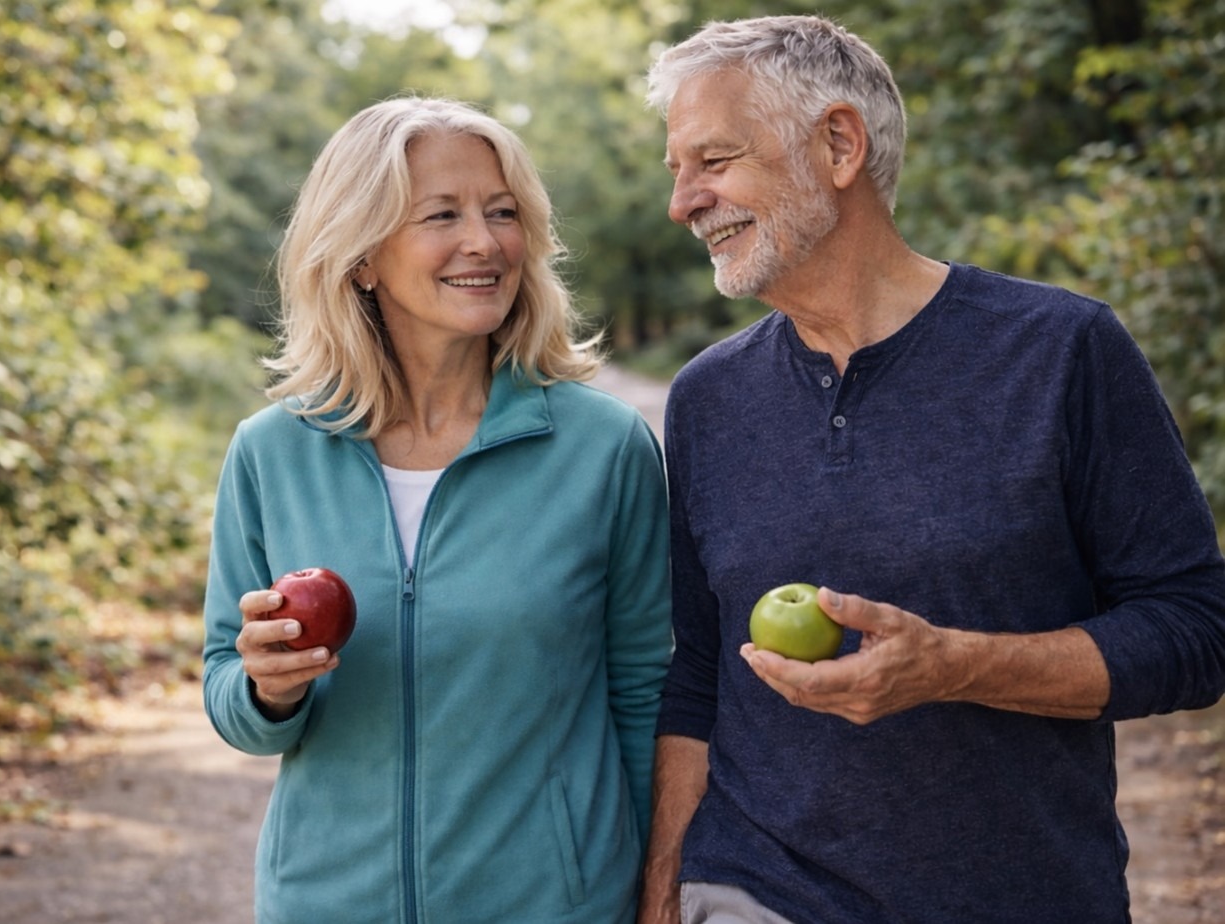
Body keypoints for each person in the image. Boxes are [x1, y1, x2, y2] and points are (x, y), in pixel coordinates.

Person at [637, 15, 1225, 924]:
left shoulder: (1063, 351)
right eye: (677, 170)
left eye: (712, 160)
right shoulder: (708, 398)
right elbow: (701, 671)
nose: (682, 202)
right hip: (757, 888)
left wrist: (954, 666)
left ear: (839, 144)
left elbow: (1195, 632)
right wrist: (664, 887)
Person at [201, 96, 672, 924]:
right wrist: (269, 691)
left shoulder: (603, 448)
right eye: (441, 215)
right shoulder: (271, 452)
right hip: (326, 903)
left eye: (502, 213)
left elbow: (644, 691)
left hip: (554, 905)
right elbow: (229, 693)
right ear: (362, 256)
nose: (484, 242)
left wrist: (652, 892)